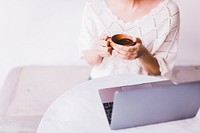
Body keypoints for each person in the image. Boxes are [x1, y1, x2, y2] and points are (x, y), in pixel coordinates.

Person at [77, 0, 180, 80]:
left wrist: (143, 54)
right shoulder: (94, 5)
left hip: (142, 87)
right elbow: (89, 60)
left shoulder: (168, 11)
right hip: (101, 82)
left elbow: (158, 71)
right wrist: (97, 50)